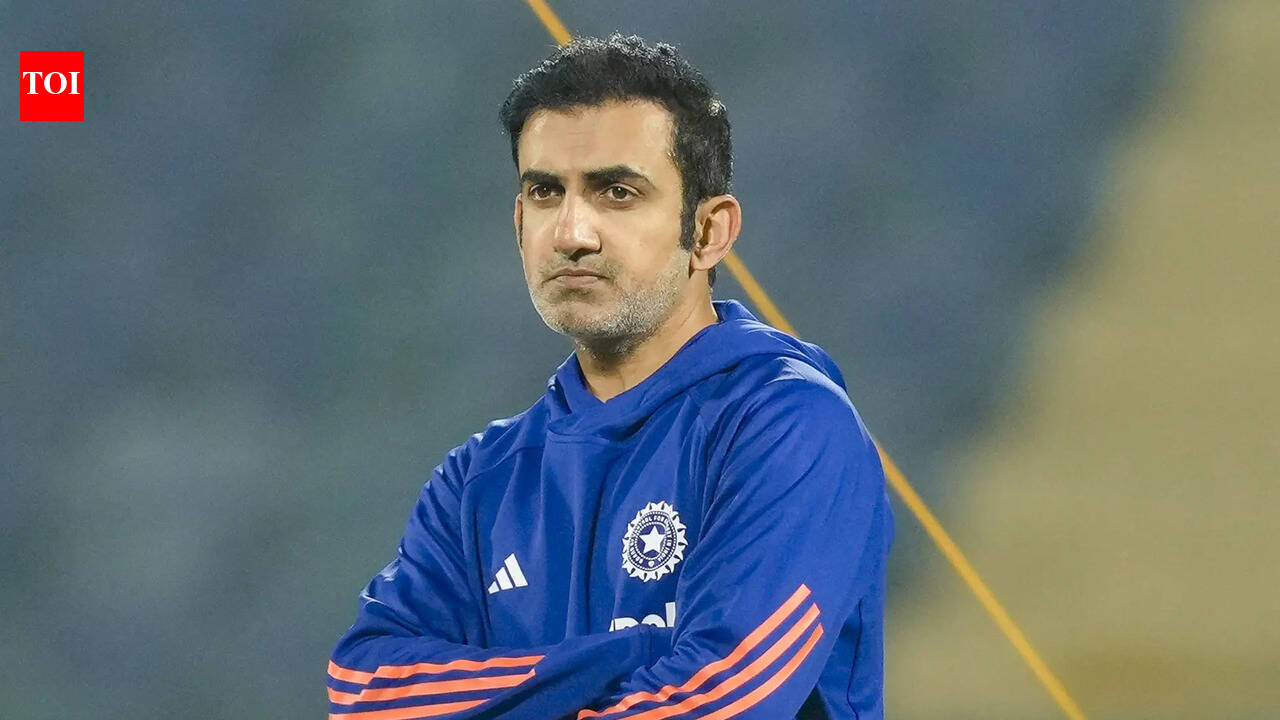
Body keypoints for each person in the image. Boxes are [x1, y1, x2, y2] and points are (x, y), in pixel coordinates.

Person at [327, 34, 894, 720]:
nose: (572, 233)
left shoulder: (790, 427)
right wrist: (625, 655)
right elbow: (366, 693)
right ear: (519, 221)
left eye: (617, 192)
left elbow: (715, 702)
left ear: (708, 232)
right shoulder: (479, 479)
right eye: (545, 192)